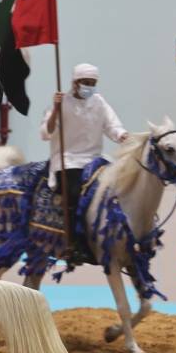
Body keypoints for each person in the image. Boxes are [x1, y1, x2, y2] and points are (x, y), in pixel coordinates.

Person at [41, 63, 128, 256]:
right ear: (75, 82)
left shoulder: (99, 101)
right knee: (73, 193)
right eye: (85, 82)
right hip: (68, 159)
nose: (88, 86)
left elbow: (112, 125)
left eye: (92, 82)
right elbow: (47, 132)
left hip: (94, 160)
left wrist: (122, 135)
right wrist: (56, 109)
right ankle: (72, 242)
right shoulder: (61, 102)